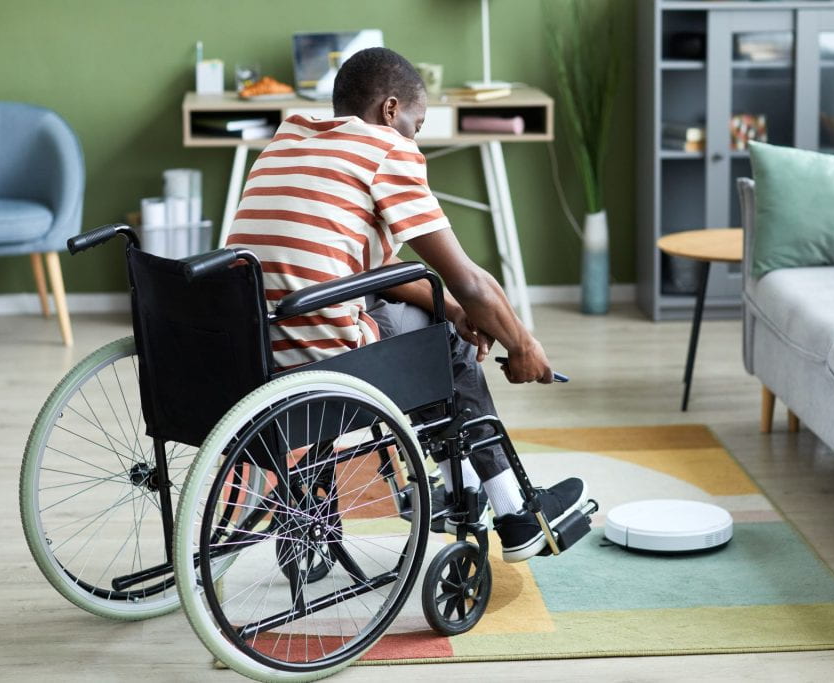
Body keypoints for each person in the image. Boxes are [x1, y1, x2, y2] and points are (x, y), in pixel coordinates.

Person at [227, 47, 586, 563]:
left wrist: (456, 310)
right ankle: (512, 510)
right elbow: (471, 283)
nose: (414, 138)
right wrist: (523, 345)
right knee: (441, 341)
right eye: (416, 125)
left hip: (251, 344)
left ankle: (463, 485)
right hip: (319, 354)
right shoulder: (385, 150)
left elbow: (369, 273)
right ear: (391, 110)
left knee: (438, 314)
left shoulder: (291, 138)